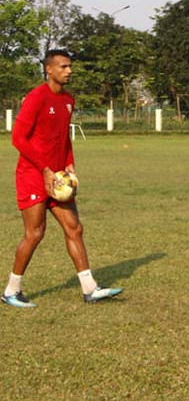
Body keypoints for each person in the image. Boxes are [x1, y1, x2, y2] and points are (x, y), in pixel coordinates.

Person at [2, 49, 123, 308]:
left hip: (58, 177)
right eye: (63, 67)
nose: (69, 71)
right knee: (35, 233)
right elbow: (18, 139)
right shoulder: (36, 97)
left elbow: (63, 138)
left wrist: (70, 165)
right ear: (49, 69)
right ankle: (11, 290)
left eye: (70, 67)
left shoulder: (68, 99)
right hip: (33, 175)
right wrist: (44, 170)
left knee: (75, 228)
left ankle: (90, 288)